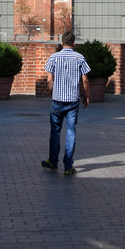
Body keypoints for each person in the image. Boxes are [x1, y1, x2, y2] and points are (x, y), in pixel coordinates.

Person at [41, 31, 90, 175]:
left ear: (62, 43)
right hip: (73, 101)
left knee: (55, 131)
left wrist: (52, 90)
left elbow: (49, 79)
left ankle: (53, 161)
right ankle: (68, 166)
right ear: (74, 43)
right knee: (71, 132)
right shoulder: (80, 57)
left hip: (57, 100)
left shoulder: (54, 57)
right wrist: (87, 96)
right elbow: (85, 80)